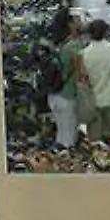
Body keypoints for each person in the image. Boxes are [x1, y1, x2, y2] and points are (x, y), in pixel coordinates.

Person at [79, 20, 110, 143]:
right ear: (106, 32)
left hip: (94, 100)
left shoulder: (84, 53)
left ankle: (98, 154)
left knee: (95, 137)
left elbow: (83, 78)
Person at [47, 9, 85, 147]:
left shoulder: (59, 43)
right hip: (68, 96)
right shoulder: (75, 45)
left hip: (55, 94)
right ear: (70, 24)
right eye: (77, 19)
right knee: (70, 139)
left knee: (62, 136)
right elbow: (81, 72)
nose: (80, 21)